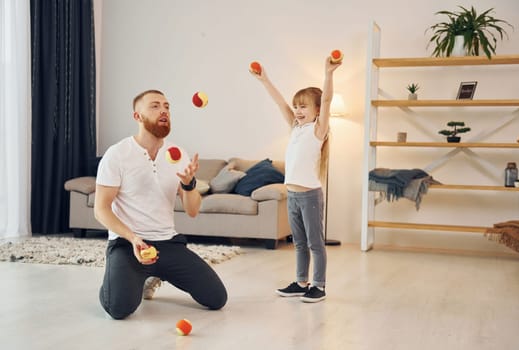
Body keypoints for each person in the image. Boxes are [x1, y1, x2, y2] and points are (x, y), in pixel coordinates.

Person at [94, 89, 227, 319]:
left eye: (166, 106)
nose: (164, 110)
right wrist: (133, 238)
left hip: (168, 244)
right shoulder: (117, 154)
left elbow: (193, 210)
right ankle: (118, 279)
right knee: (118, 309)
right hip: (128, 245)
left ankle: (153, 274)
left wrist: (188, 185)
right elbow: (101, 209)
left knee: (217, 299)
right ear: (137, 116)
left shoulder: (177, 154)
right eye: (155, 106)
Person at [250, 56, 341, 302]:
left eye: (304, 107)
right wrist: (265, 80)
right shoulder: (296, 128)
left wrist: (328, 73)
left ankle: (319, 286)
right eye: (297, 106)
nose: (298, 111)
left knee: (315, 243)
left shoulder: (317, 130)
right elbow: (279, 102)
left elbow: (328, 98)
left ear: (317, 111)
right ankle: (302, 282)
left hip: (309, 195)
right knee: (299, 243)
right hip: (292, 195)